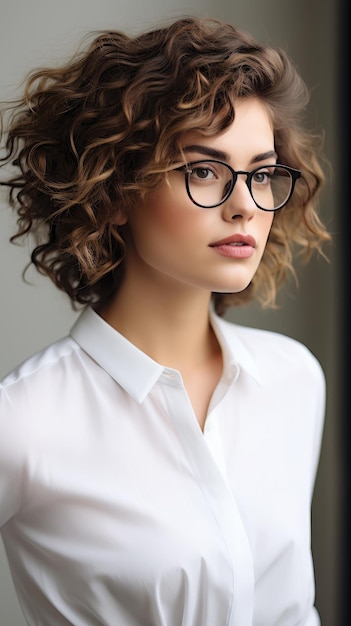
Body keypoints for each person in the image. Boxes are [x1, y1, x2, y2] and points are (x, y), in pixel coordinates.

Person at [0, 16, 331, 626]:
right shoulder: (24, 421)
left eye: (261, 172)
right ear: (117, 190)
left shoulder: (293, 380)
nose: (244, 204)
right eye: (204, 170)